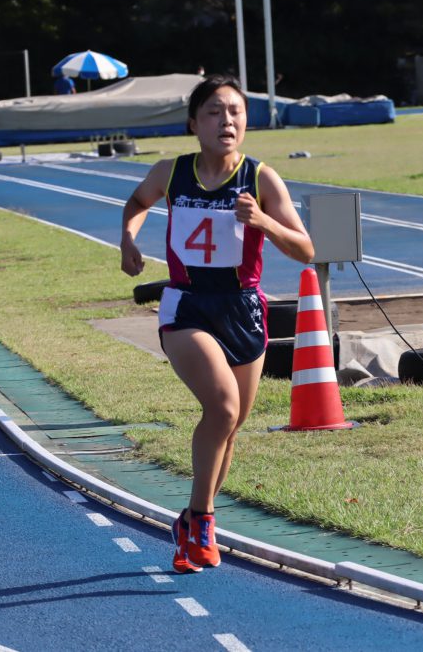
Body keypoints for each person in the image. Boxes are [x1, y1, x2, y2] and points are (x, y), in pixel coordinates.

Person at [119, 74, 314, 574]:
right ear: (194, 123)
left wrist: (264, 223)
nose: (226, 121)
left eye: (236, 113)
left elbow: (306, 249)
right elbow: (138, 202)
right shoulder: (172, 171)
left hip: (244, 310)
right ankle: (203, 525)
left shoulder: (262, 179)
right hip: (186, 306)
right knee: (222, 408)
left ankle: (190, 521)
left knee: (231, 427)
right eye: (214, 112)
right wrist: (129, 239)